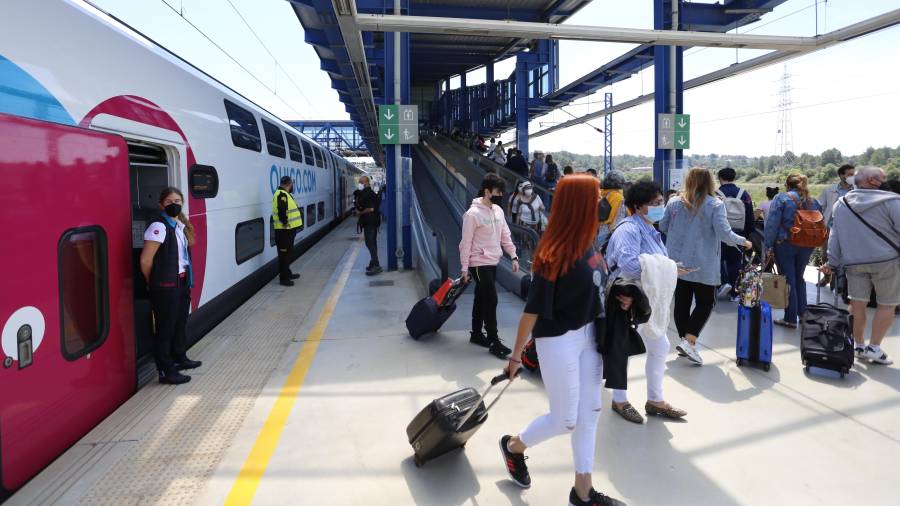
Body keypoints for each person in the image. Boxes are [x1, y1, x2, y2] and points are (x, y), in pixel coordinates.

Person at [500, 175, 627, 506]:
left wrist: (618, 297)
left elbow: (593, 286)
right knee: (565, 420)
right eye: (597, 197)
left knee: (592, 410)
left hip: (589, 336)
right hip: (559, 339)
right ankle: (514, 447)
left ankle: (583, 492)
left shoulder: (588, 242)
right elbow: (531, 311)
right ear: (580, 204)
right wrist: (515, 358)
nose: (603, 202)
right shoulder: (553, 252)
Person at [606, 181, 687, 424]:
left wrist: (670, 268)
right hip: (625, 299)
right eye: (655, 203)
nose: (661, 207)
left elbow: (658, 262)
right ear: (638, 207)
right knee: (623, 350)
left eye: (661, 202)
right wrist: (664, 267)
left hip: (644, 299)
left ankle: (655, 400)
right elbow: (629, 265)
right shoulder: (629, 230)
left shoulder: (651, 230)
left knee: (659, 345)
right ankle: (619, 400)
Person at [660, 168, 751, 364]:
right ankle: (690, 340)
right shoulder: (715, 204)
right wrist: (744, 241)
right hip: (703, 262)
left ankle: (686, 342)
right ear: (710, 182)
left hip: (676, 262)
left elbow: (663, 226)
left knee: (682, 302)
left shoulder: (674, 202)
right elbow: (725, 234)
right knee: (706, 302)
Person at [822, 166, 899, 365]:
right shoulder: (892, 202)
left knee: (857, 303)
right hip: (887, 261)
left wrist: (832, 261)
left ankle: (858, 345)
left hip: (854, 262)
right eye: (883, 177)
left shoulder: (842, 203)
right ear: (873, 180)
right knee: (887, 304)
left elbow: (835, 236)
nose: (886, 180)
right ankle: (874, 348)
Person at [140, 187, 202, 385]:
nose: (174, 204)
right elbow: (145, 260)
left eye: (177, 200)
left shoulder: (179, 226)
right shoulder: (158, 227)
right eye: (169, 202)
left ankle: (179, 358)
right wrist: (154, 282)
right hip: (165, 286)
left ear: (182, 202)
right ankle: (166, 371)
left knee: (179, 323)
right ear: (161, 205)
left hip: (181, 282)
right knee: (165, 329)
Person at [460, 174, 519, 359]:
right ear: (487, 191)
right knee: (491, 298)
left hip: (493, 261)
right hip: (478, 262)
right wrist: (464, 268)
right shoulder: (472, 214)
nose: (501, 195)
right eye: (498, 192)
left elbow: (505, 236)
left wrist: (514, 256)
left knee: (481, 297)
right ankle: (493, 340)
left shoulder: (498, 211)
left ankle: (476, 333)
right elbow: (466, 242)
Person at [763, 174, 824, 329]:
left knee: (788, 280)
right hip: (807, 244)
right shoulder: (813, 201)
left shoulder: (781, 198)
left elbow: (772, 223)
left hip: (785, 243)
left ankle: (790, 318)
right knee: (799, 278)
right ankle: (803, 314)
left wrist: (768, 245)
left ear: (787, 184)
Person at [715, 167, 754, 302]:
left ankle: (723, 283)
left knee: (717, 260)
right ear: (734, 177)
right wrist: (746, 234)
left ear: (720, 178)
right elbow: (750, 215)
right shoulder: (743, 194)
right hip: (739, 232)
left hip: (719, 234)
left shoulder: (715, 193)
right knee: (736, 262)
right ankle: (735, 293)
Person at [816, 164, 855, 286]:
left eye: (853, 174)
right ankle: (827, 277)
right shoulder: (830, 190)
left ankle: (841, 283)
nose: (852, 177)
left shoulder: (857, 190)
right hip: (830, 227)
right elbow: (819, 206)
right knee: (826, 254)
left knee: (848, 255)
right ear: (841, 175)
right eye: (849, 174)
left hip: (850, 229)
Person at [272, 176, 303, 286]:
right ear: (289, 184)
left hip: (287, 231)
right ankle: (283, 279)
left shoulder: (284, 194)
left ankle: (288, 273)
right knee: (284, 256)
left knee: (287, 254)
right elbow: (282, 211)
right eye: (292, 184)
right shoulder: (282, 195)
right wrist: (285, 223)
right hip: (284, 231)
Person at [357, 175, 382, 275]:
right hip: (371, 221)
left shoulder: (368, 194)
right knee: (372, 243)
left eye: (360, 182)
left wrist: (360, 213)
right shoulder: (367, 192)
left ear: (366, 183)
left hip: (370, 222)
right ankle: (373, 262)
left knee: (370, 243)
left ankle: (376, 266)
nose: (359, 184)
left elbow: (371, 208)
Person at [596, 169, 628, 248]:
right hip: (609, 235)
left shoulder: (601, 193)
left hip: (598, 231)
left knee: (597, 258)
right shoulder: (617, 197)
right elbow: (618, 219)